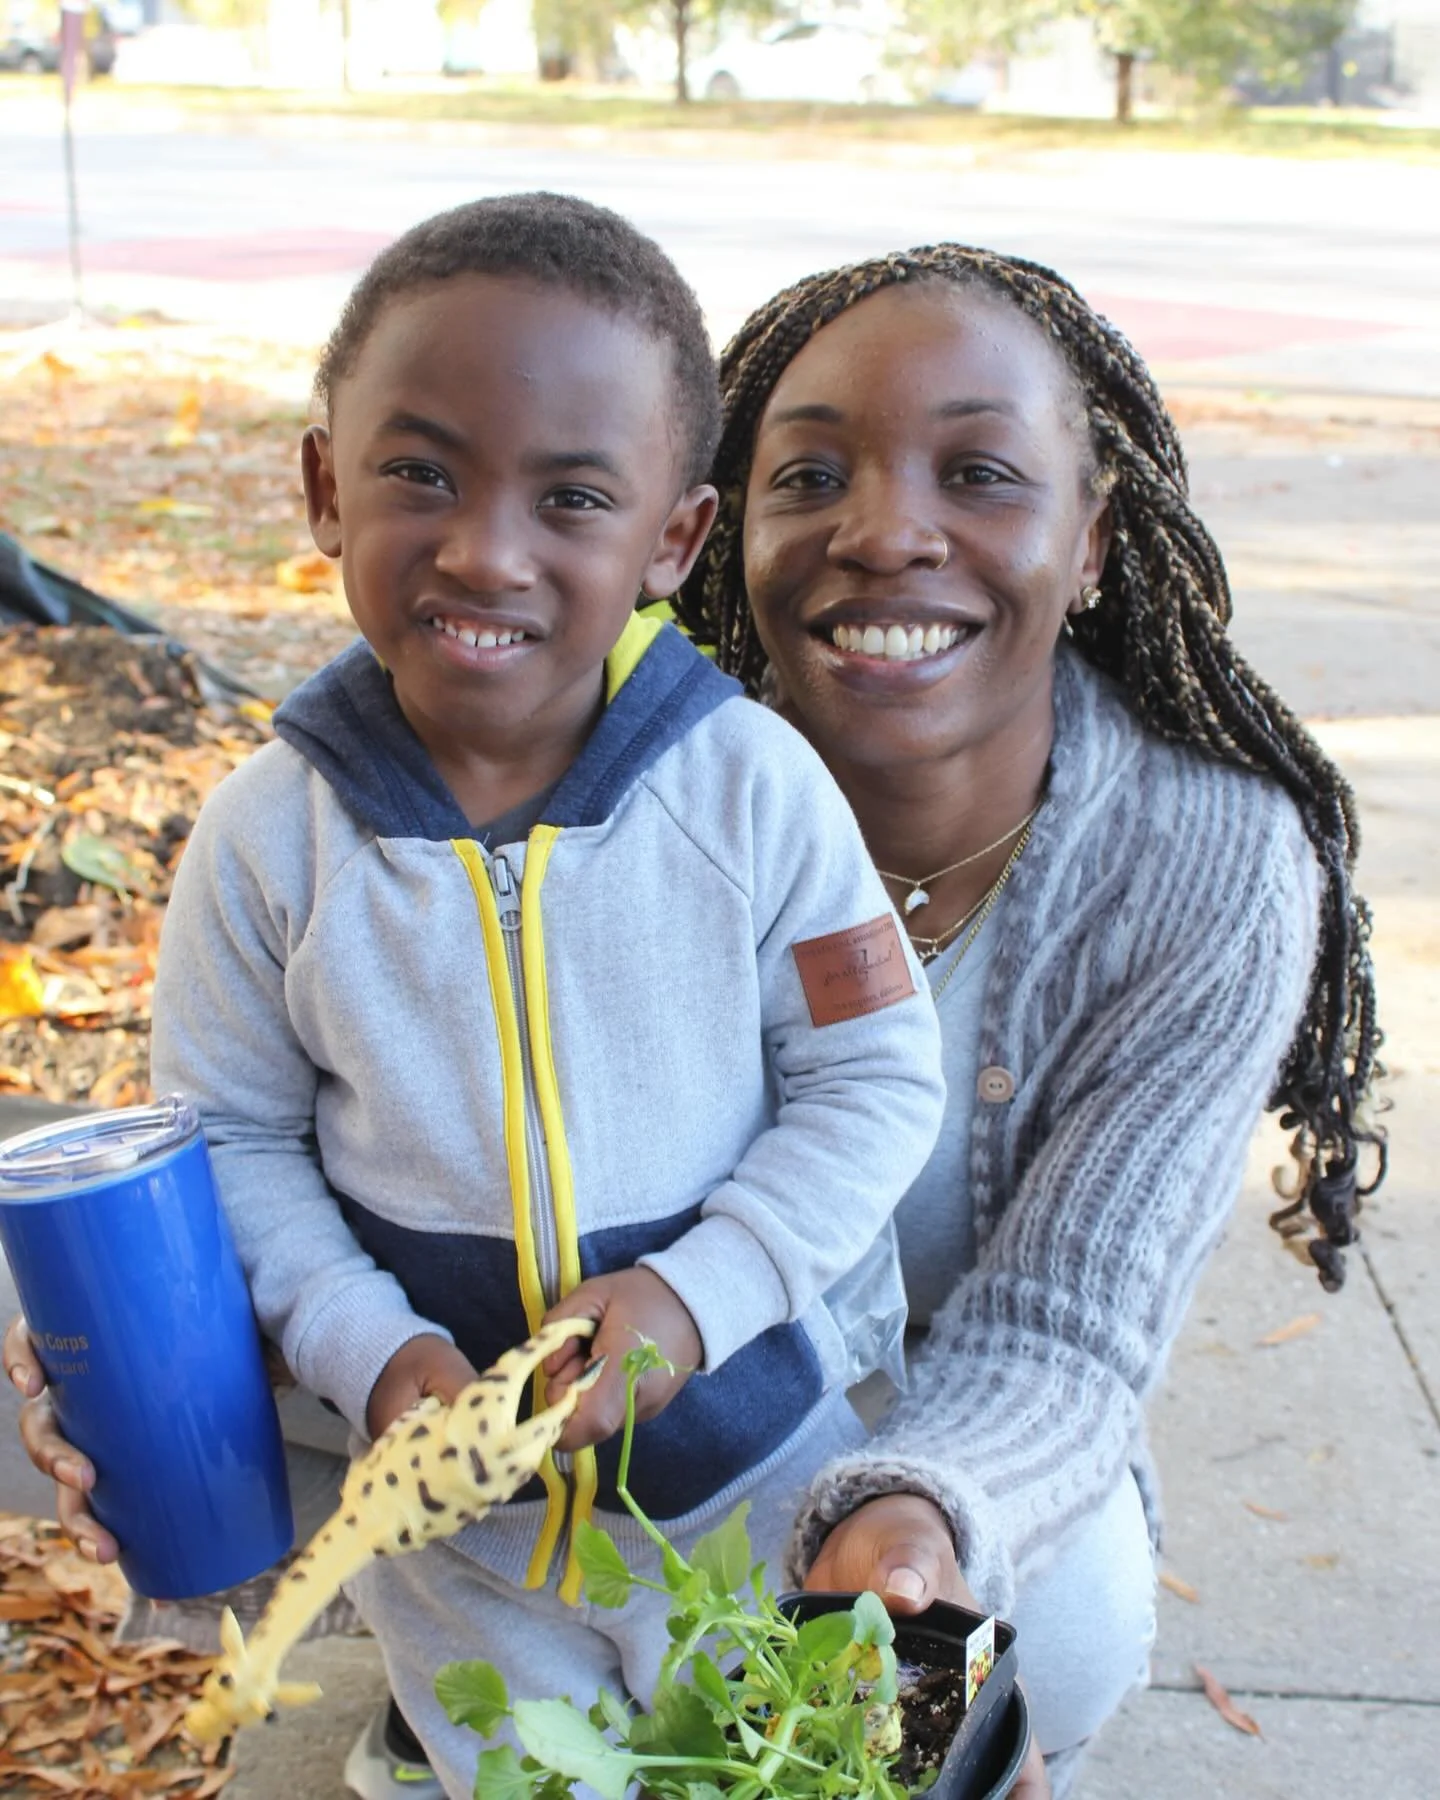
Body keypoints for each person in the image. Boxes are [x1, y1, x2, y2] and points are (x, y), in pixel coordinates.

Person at [3, 195, 947, 1800]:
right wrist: (371, 1348)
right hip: (449, 1536)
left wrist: (693, 1301)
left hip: (745, 1480)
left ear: (672, 540)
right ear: (322, 484)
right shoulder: (272, 836)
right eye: (421, 473)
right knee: (525, 1777)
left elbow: (876, 1082)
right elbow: (230, 1136)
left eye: (572, 497)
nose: (485, 548)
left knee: (770, 1767)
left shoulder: (750, 794)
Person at [669, 243, 1384, 1796]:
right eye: (808, 475)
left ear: (1096, 539)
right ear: (730, 532)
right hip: (666, 1379)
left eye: (981, 471)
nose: (884, 531)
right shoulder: (637, 802)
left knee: (1044, 1630)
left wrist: (919, 1518)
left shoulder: (1208, 862)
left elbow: (1067, 1333)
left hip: (967, 1410)